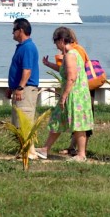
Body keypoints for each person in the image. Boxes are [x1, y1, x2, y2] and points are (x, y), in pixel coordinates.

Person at [36, 27, 94, 162]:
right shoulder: (73, 54)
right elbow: (65, 69)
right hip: (74, 93)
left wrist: (64, 96)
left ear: (62, 40)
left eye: (56, 42)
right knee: (57, 120)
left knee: (78, 124)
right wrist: (49, 64)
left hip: (75, 95)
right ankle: (45, 149)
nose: (56, 46)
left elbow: (71, 77)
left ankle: (81, 154)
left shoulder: (70, 55)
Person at [6, 18, 40, 159]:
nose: (12, 33)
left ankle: (29, 151)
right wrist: (11, 87)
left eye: (14, 30)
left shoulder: (28, 47)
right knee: (18, 122)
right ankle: (25, 150)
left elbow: (27, 70)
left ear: (21, 31)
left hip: (25, 89)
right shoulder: (22, 47)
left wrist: (20, 87)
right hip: (19, 88)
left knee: (24, 120)